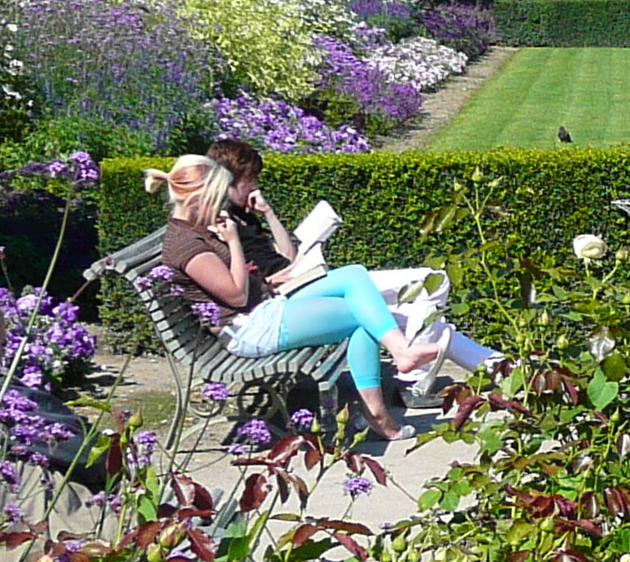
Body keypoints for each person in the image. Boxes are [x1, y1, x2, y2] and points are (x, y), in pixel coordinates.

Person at [149, 155, 440, 442]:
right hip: (249, 328)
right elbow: (236, 296)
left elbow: (235, 285)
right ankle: (379, 413)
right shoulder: (188, 245)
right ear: (199, 196)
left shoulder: (196, 228)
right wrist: (234, 242)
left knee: (354, 275)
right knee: (361, 317)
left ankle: (399, 355)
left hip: (264, 307)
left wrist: (269, 279)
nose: (221, 205)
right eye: (217, 197)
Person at [205, 138, 504, 400]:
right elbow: (241, 283)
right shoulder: (223, 224)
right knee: (432, 280)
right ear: (228, 180)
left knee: (420, 320)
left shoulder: (244, 215)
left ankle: (505, 370)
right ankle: (412, 380)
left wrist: (268, 213)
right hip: (289, 298)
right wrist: (274, 279)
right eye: (250, 179)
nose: (255, 186)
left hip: (304, 281)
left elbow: (286, 255)